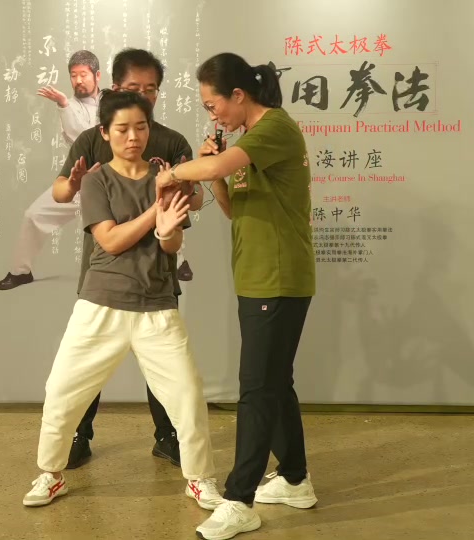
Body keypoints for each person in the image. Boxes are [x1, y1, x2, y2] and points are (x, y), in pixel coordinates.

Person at [22, 89, 222, 511]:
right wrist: (155, 211)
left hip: (157, 305)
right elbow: (110, 240)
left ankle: (200, 478)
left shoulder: (166, 176)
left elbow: (171, 244)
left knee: (187, 397)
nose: (133, 137)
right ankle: (51, 475)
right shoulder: (96, 180)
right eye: (123, 129)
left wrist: (167, 229)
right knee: (62, 392)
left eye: (141, 127)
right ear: (105, 133)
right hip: (101, 304)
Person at [154, 53, 318, 540]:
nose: (213, 115)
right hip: (258, 277)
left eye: (213, 105)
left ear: (239, 96)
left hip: (279, 277)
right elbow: (232, 208)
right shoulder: (250, 142)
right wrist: (214, 174)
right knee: (275, 383)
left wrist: (175, 173)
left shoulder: (274, 129)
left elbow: (216, 165)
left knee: (256, 389)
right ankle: (295, 479)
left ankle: (239, 499)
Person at [51, 48, 204, 470]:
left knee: (165, 367)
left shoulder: (171, 141)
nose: (143, 96)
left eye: (151, 89)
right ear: (114, 88)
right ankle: (79, 436)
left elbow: (196, 198)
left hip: (156, 272)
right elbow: (61, 190)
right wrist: (75, 183)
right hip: (104, 273)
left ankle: (168, 437)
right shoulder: (94, 138)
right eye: (134, 88)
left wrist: (185, 187)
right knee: (87, 366)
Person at [0, 49, 102, 291]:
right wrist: (63, 104)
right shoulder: (69, 105)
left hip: (110, 180)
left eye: (83, 74)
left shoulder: (112, 101)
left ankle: (177, 263)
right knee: (34, 215)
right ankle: (21, 272)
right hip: (77, 182)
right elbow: (81, 139)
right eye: (73, 75)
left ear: (97, 75)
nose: (78, 80)